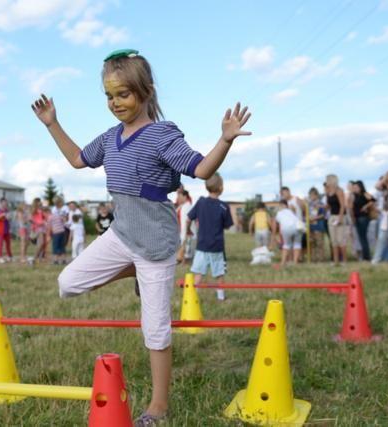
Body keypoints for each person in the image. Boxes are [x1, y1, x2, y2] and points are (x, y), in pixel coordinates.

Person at [31, 48, 251, 425]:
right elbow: (77, 160)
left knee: (155, 329)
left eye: (123, 94)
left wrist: (225, 140)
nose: (115, 103)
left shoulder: (162, 134)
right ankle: (135, 271)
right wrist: (52, 123)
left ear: (145, 91)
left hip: (155, 244)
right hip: (121, 236)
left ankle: (158, 406)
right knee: (67, 283)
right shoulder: (111, 137)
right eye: (109, 96)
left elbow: (200, 168)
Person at [187, 173, 234, 301]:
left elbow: (188, 218)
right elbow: (228, 225)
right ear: (220, 188)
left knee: (198, 273)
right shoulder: (224, 206)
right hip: (217, 247)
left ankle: (192, 299)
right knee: (219, 274)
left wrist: (187, 230)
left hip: (201, 246)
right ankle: (221, 298)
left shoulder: (200, 202)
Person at [325, 174, 349, 265]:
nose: (326, 182)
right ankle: (336, 261)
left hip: (340, 216)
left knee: (341, 240)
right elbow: (329, 205)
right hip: (332, 217)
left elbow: (343, 205)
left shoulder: (339, 191)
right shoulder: (328, 192)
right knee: (333, 240)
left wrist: (340, 218)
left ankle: (344, 261)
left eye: (327, 180)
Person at [272, 199, 301, 268]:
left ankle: (282, 263)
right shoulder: (291, 211)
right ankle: (295, 262)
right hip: (298, 226)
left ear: (281, 206)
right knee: (297, 244)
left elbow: (274, 227)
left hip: (286, 228)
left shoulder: (279, 213)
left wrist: (274, 237)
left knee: (286, 245)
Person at [350, 181, 375, 261]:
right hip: (356, 218)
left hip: (363, 218)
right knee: (361, 238)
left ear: (360, 187)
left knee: (363, 238)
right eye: (354, 187)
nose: (355, 189)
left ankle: (366, 257)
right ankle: (365, 256)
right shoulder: (353, 195)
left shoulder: (364, 194)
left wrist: (365, 206)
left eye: (356, 187)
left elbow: (373, 200)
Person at [176, 189, 196, 263]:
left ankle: (185, 260)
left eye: (179, 196)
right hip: (181, 233)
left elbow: (186, 222)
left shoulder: (187, 206)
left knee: (187, 253)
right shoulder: (182, 206)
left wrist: (184, 236)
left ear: (185, 196)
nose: (178, 198)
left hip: (188, 234)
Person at [307, 187, 326, 262]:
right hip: (311, 226)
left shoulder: (321, 204)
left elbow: (323, 215)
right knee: (312, 243)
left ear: (316, 195)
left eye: (313, 195)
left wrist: (315, 218)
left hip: (318, 226)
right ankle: (314, 258)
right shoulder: (309, 204)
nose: (311, 197)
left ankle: (320, 259)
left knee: (319, 243)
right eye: (310, 195)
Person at [0, 198, 13, 263]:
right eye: (4, 202)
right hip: (0, 229)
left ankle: (9, 256)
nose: (5, 204)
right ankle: (0, 257)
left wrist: (9, 217)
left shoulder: (7, 210)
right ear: (1, 203)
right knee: (0, 244)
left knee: (8, 244)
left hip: (7, 229)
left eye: (6, 202)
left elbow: (9, 219)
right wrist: (2, 215)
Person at [31, 198, 48, 263]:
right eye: (39, 202)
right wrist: (42, 222)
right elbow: (34, 220)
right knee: (41, 243)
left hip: (43, 228)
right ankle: (34, 258)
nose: (40, 203)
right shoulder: (34, 210)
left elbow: (44, 217)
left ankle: (39, 258)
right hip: (38, 228)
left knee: (41, 244)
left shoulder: (40, 210)